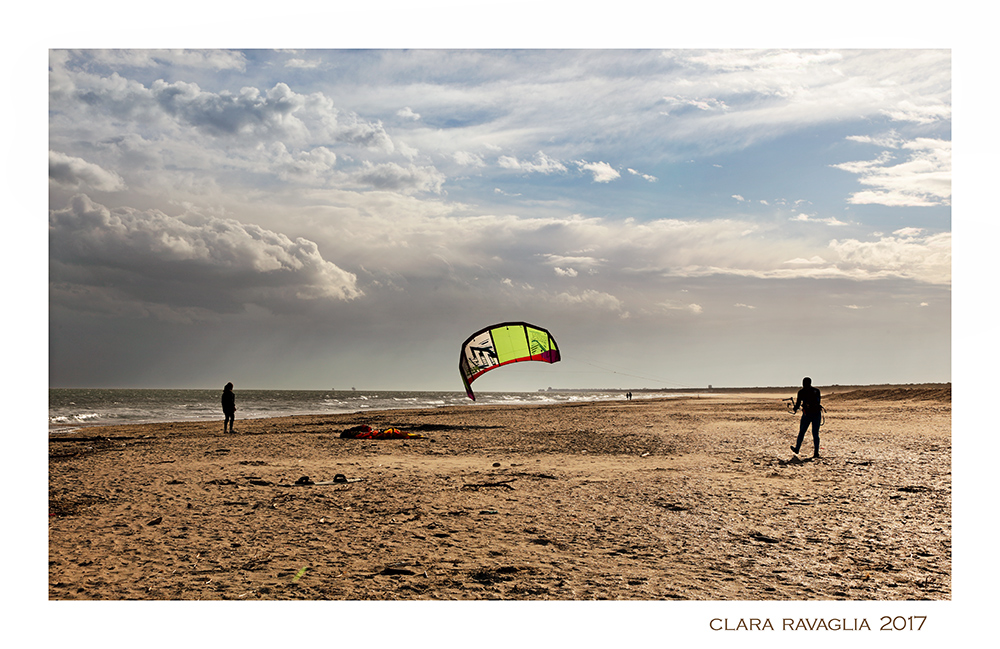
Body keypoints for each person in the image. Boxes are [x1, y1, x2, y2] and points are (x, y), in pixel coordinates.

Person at [790, 377, 822, 457]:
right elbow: (818, 402)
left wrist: (795, 408)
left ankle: (797, 448)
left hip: (807, 414)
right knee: (815, 433)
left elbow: (798, 404)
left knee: (802, 432)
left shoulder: (801, 392)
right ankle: (816, 452)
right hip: (816, 414)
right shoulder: (816, 391)